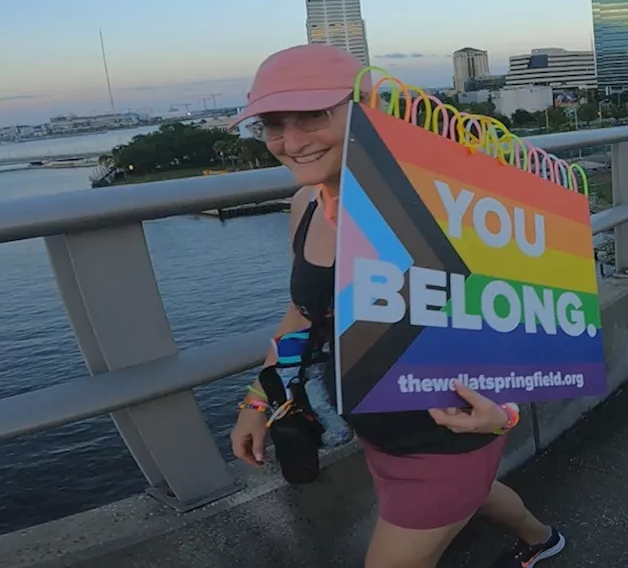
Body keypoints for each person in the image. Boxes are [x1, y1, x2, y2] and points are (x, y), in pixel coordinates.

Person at [227, 44, 565, 568]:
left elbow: (525, 315)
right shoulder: (307, 205)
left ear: (366, 106)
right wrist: (258, 399)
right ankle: (542, 539)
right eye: (272, 124)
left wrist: (506, 414)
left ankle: (536, 534)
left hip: (449, 432)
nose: (290, 142)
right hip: (376, 427)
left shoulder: (447, 201)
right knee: (478, 496)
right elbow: (305, 315)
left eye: (313, 116)